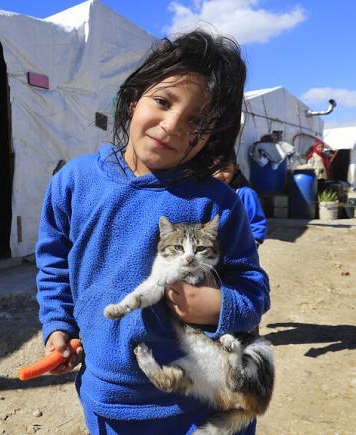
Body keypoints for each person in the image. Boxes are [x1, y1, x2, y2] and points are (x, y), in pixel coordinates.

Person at [35, 30, 270, 435]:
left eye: (197, 121)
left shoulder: (218, 203)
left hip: (199, 407)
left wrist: (219, 306)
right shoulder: (74, 182)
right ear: (133, 99)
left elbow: (253, 288)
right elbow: (54, 265)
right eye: (163, 101)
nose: (172, 125)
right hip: (107, 400)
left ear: (213, 134)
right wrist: (59, 326)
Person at [214, 161, 267, 246]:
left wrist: (251, 245)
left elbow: (257, 224)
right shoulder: (204, 193)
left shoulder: (245, 194)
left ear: (235, 169)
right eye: (213, 169)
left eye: (225, 169)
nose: (218, 175)